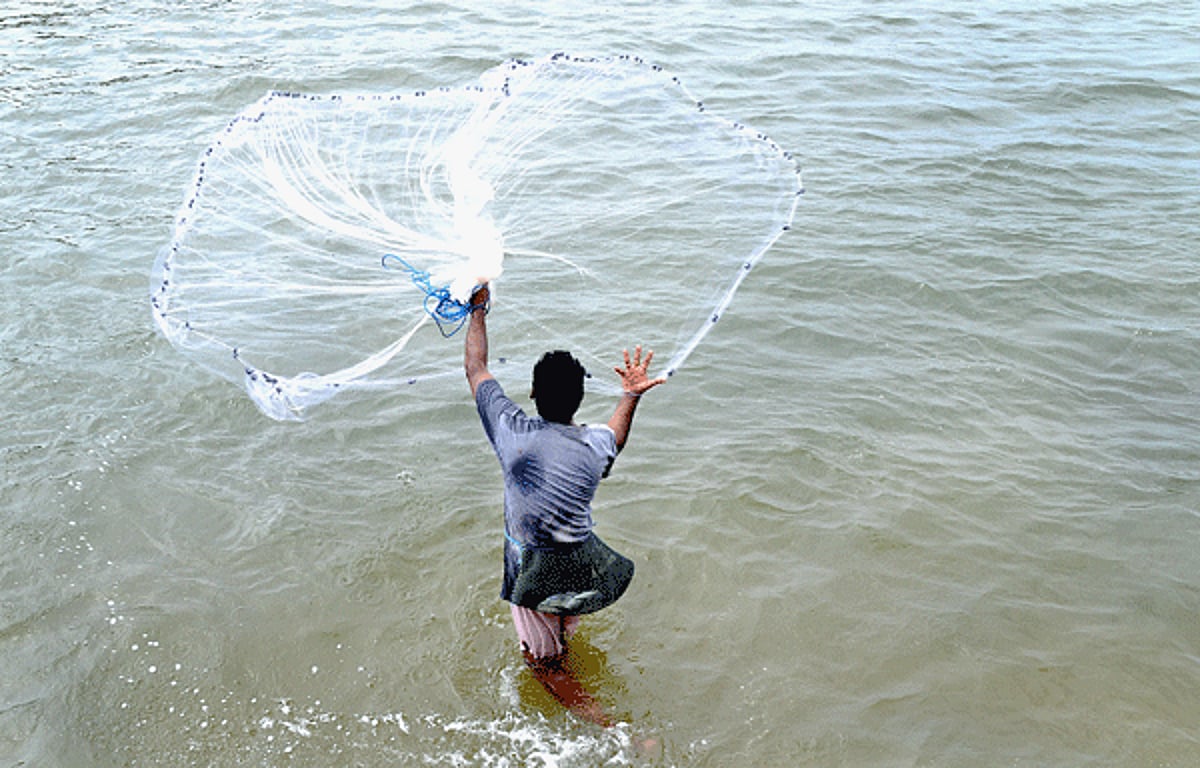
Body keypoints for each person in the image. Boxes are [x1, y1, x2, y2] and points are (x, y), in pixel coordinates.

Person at [464, 283, 665, 725]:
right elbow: (617, 434)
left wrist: (478, 311)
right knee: (557, 639)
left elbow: (475, 367)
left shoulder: (512, 433)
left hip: (534, 568)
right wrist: (630, 395)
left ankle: (614, 729)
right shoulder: (593, 447)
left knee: (542, 666)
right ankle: (561, 647)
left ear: (533, 393)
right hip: (580, 560)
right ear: (579, 399)